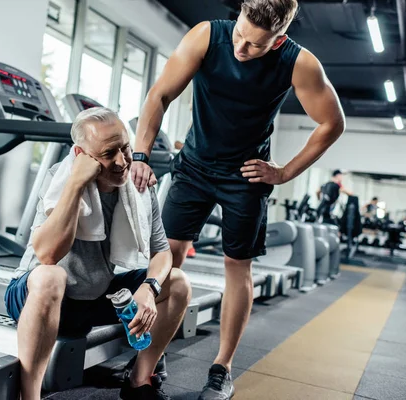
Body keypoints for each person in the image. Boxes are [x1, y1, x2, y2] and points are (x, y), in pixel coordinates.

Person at [130, 0, 346, 398]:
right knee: (166, 257)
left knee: (237, 267)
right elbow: (159, 94)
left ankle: (221, 366)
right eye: (240, 35)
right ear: (239, 17)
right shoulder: (207, 36)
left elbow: (333, 122)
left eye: (254, 46)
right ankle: (151, 351)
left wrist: (283, 173)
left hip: (246, 176)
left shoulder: (300, 63)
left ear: (279, 39)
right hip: (194, 165)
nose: (241, 50)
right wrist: (140, 154)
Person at [4, 107, 191, 400]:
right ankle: (29, 396)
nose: (121, 161)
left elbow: (163, 254)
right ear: (81, 155)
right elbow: (47, 255)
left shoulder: (139, 185)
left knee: (177, 282)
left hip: (93, 298)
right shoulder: (59, 179)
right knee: (51, 276)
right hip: (35, 294)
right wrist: (76, 183)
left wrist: (148, 288)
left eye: (125, 149)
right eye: (108, 154)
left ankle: (139, 381)